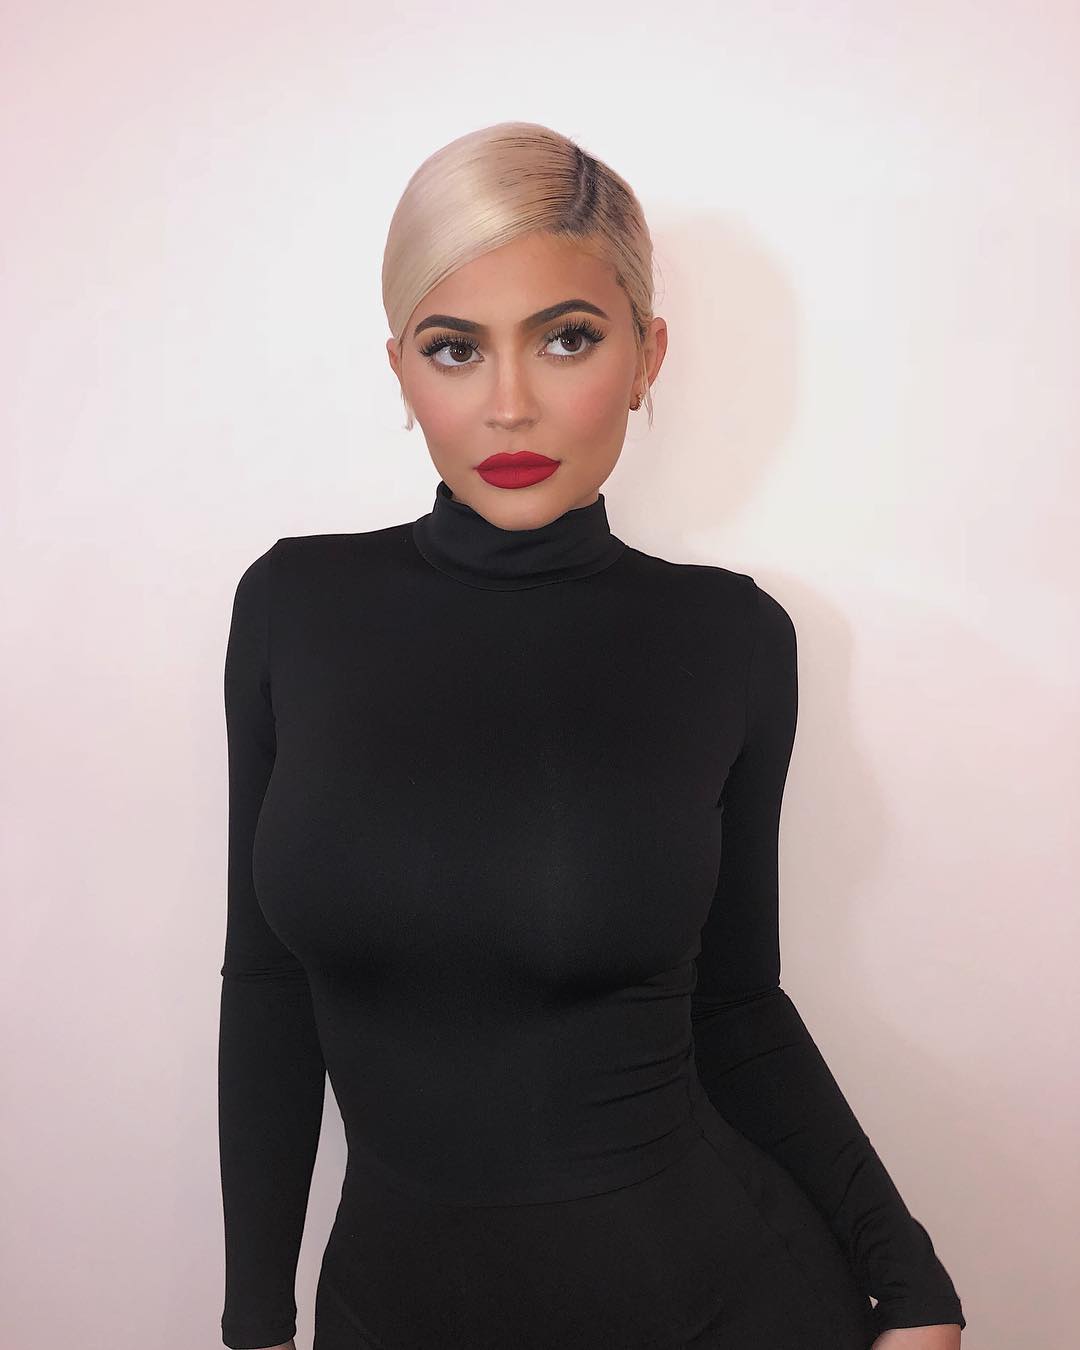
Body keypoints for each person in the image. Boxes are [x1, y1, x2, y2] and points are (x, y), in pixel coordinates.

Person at [216, 122, 966, 1350]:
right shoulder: (293, 606)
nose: (509, 403)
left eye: (567, 338)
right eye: (455, 348)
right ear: (400, 368)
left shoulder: (728, 637)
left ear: (645, 356)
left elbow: (736, 1004)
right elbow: (267, 984)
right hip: (387, 1309)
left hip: (714, 1305)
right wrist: (255, 1322)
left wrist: (910, 1283)